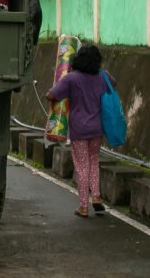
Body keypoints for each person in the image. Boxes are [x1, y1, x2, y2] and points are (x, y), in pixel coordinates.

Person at [45, 44, 115, 218]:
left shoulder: (71, 78)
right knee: (94, 162)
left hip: (79, 129)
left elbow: (51, 95)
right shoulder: (102, 76)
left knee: (82, 166)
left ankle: (83, 206)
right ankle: (96, 197)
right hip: (97, 128)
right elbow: (113, 84)